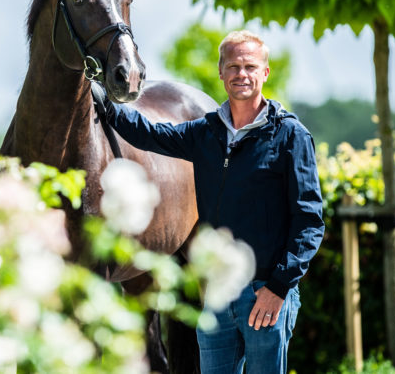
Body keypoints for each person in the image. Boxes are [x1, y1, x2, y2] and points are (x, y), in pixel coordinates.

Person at [100, 30, 324, 373]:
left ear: (265, 73)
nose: (241, 74)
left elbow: (309, 222)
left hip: (266, 295)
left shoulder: (290, 136)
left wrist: (278, 288)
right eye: (233, 66)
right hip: (217, 296)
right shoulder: (206, 132)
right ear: (221, 72)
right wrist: (102, 98)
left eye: (250, 66)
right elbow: (149, 134)